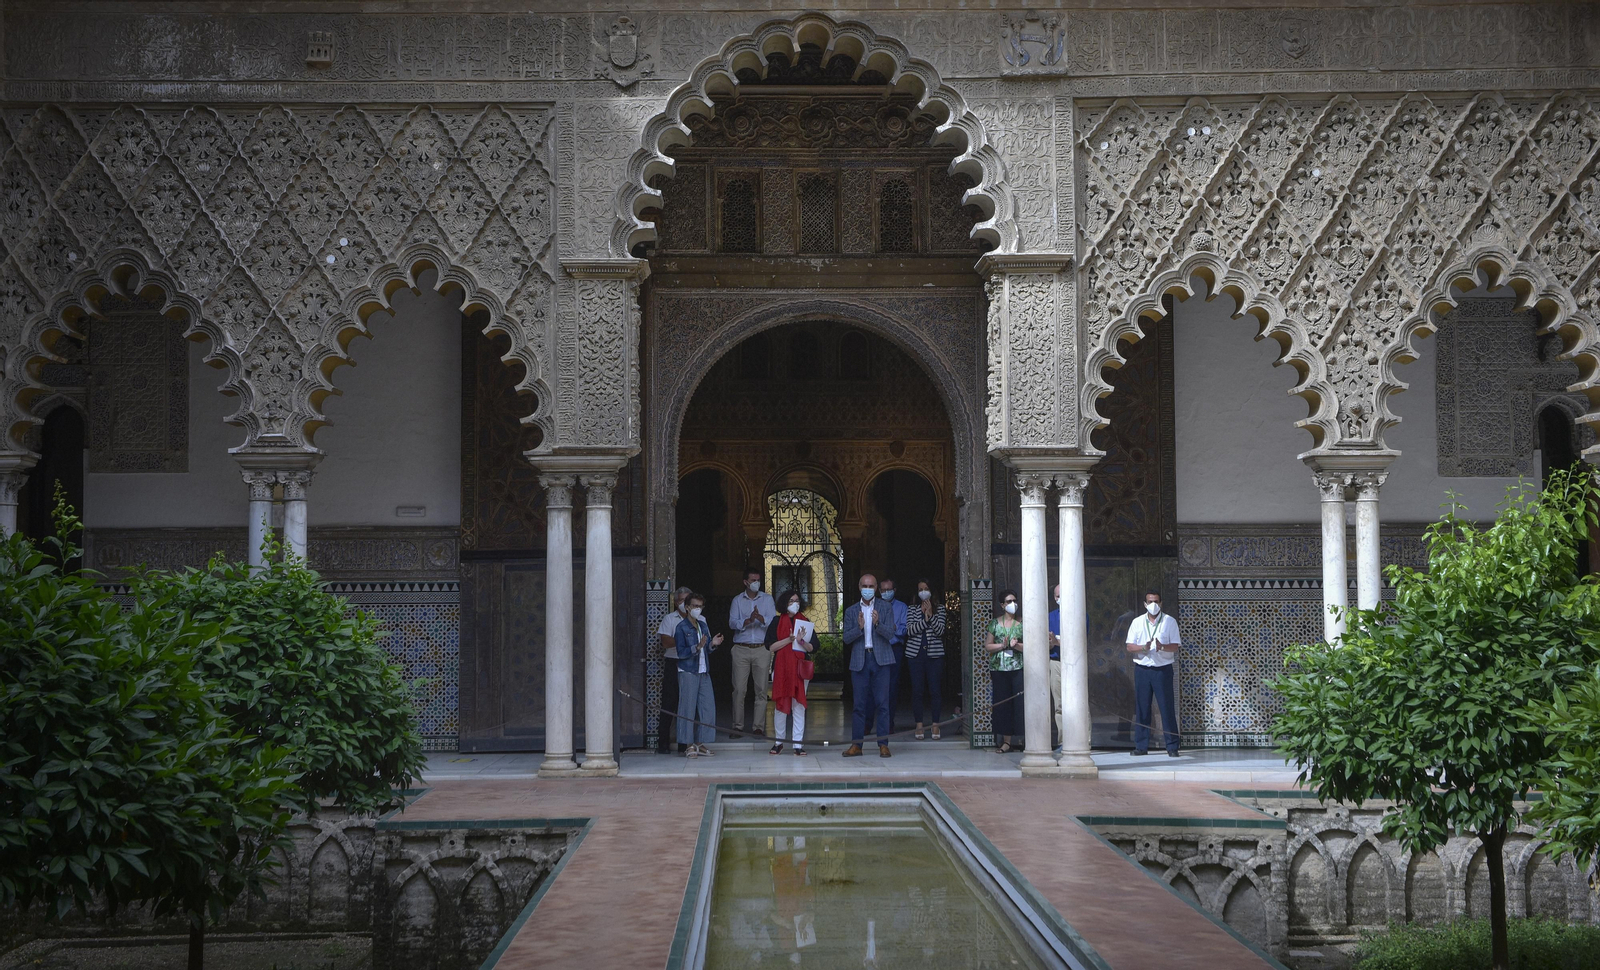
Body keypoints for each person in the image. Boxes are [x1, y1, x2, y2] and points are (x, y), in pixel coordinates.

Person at [841, 573, 896, 758]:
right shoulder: (851, 611)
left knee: (883, 704)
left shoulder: (885, 607)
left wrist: (877, 623)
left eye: (871, 586)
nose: (867, 589)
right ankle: (857, 745)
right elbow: (846, 638)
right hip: (860, 660)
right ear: (859, 587)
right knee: (859, 705)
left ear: (876, 588)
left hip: (881, 660)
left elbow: (890, 634)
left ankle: (883, 744)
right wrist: (859, 628)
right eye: (864, 586)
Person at [1126, 588, 1182, 757]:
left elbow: (1175, 646)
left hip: (1162, 669)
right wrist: (1143, 648)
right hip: (1143, 669)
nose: (1153, 605)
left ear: (1161, 603)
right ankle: (1141, 746)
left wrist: (1162, 646)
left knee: (1166, 707)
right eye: (1150, 602)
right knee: (1142, 708)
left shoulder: (1169, 621)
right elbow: (1129, 646)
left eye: (1156, 602)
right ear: (1145, 604)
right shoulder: (1137, 622)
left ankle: (1172, 746)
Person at [765, 589, 815, 755]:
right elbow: (770, 646)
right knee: (780, 705)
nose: (795, 604)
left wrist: (801, 641)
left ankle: (797, 744)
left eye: (797, 600)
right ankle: (778, 742)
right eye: (791, 601)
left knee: (798, 706)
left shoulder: (805, 622)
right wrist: (789, 639)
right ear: (784, 604)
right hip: (781, 669)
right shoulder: (776, 621)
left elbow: (813, 647)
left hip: (799, 671)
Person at [727, 568, 776, 736]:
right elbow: (732, 623)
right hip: (741, 648)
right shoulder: (737, 600)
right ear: (745, 582)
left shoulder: (767, 599)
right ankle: (737, 726)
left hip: (761, 648)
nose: (756, 583)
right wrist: (747, 620)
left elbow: (773, 621)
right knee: (739, 690)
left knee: (761, 690)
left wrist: (761, 618)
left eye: (758, 580)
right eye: (753, 580)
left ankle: (758, 727)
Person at [674, 592, 724, 758]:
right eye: (695, 606)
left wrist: (712, 644)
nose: (698, 609)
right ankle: (688, 745)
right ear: (687, 607)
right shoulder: (681, 627)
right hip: (688, 671)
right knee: (687, 709)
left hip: (703, 671)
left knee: (708, 708)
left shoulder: (702, 625)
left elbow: (706, 648)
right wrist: (696, 647)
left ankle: (700, 743)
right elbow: (681, 652)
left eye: (700, 606)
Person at [904, 578, 947, 741]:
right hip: (915, 655)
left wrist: (931, 615)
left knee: (935, 691)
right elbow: (910, 630)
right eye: (920, 589)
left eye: (926, 588)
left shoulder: (940, 609)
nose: (923, 592)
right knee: (917, 691)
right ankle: (919, 725)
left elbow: (940, 631)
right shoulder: (912, 609)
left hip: (934, 656)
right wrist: (925, 620)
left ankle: (935, 724)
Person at [1046, 583, 1087, 751]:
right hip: (1056, 662)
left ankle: (1085, 741)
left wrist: (1058, 642)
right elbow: (1046, 642)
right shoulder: (1050, 617)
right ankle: (1063, 741)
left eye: (1063, 595)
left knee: (1080, 703)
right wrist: (1052, 643)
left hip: (1076, 664)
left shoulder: (1080, 615)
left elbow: (1079, 642)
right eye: (1057, 596)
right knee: (1059, 704)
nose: (1060, 599)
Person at [985, 589, 1025, 753]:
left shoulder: (1022, 622)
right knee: (1003, 705)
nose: (1012, 604)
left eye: (1014, 600)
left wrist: (1016, 645)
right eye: (1009, 601)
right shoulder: (995, 623)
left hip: (1018, 668)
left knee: (1020, 704)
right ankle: (1006, 742)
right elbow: (988, 646)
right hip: (999, 669)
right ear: (1002, 605)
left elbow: (1031, 646)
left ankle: (1024, 740)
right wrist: (1002, 645)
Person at [657, 585, 694, 753]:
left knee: (687, 704)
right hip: (674, 663)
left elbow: (702, 640)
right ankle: (663, 743)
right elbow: (665, 642)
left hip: (691, 664)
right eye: (680, 600)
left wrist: (679, 639)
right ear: (675, 602)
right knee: (669, 703)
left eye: (687, 600)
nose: (683, 604)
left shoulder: (698, 619)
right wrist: (686, 639)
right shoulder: (669, 619)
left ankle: (684, 743)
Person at [880, 578, 909, 730]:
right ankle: (870, 723)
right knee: (875, 687)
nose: (886, 593)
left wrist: (894, 628)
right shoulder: (875, 606)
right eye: (883, 590)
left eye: (889, 590)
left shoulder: (902, 607)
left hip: (895, 649)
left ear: (894, 590)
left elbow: (905, 630)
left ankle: (888, 722)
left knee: (892, 687)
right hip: (879, 648)